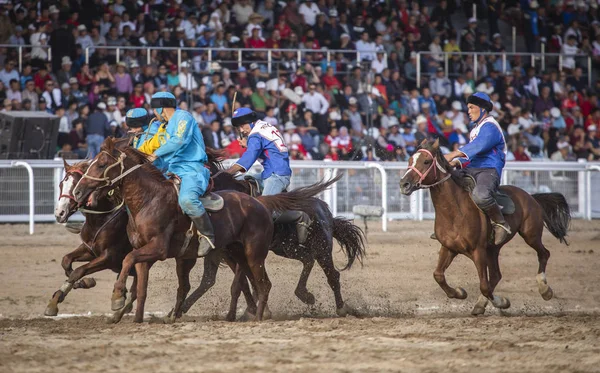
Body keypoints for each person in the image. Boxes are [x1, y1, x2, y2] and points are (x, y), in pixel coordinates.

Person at [138, 92, 214, 257]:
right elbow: (157, 150)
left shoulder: (183, 117)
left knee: (187, 200)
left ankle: (208, 236)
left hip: (192, 169)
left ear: (161, 108)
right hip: (171, 169)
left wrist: (155, 154)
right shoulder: (165, 127)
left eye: (155, 111)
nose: (155, 115)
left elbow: (179, 141)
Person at [224, 107, 311, 245]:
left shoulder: (255, 135)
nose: (241, 130)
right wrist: (249, 144)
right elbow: (266, 147)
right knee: (239, 180)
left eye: (242, 126)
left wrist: (226, 174)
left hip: (277, 175)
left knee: (264, 211)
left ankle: (300, 216)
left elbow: (247, 160)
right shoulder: (263, 127)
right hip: (269, 173)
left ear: (250, 122)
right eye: (239, 127)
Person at [442, 92, 511, 245]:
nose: (468, 111)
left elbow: (478, 146)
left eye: (471, 107)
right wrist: (457, 162)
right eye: (468, 107)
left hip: (489, 169)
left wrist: (453, 155)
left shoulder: (490, 126)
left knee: (480, 195)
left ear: (482, 109)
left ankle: (500, 223)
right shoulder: (476, 128)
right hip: (473, 168)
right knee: (447, 186)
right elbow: (472, 154)